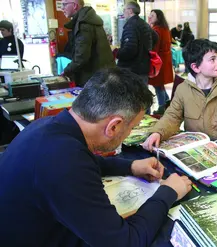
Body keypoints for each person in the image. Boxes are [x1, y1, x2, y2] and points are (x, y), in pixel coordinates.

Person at [0, 68, 192, 247]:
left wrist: (131, 166)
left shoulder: (48, 127)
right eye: (132, 127)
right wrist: (168, 192)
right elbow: (126, 241)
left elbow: (87, 161)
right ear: (114, 126)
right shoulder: (65, 163)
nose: (130, 132)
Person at [143, 39, 217, 152]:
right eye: (212, 59)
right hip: (194, 149)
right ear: (196, 67)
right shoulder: (183, 89)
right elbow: (172, 116)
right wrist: (158, 132)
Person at [61, 0, 115, 87]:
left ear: (74, 5)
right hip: (103, 75)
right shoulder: (89, 19)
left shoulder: (83, 24)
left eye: (64, 4)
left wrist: (66, 70)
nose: (62, 8)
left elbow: (81, 57)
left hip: (93, 78)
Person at [117, 1, 157, 84]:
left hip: (132, 70)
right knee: (142, 95)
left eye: (124, 9)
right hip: (143, 68)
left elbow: (130, 50)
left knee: (132, 96)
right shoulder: (144, 23)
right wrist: (145, 51)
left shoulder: (131, 25)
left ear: (130, 10)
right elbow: (155, 37)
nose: (123, 12)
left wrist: (116, 53)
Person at [148, 9, 174, 115]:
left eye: (153, 15)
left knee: (158, 85)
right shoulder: (165, 29)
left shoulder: (156, 30)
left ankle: (162, 107)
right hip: (165, 60)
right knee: (160, 84)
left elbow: (154, 47)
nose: (150, 16)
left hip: (157, 61)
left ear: (158, 17)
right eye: (150, 15)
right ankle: (167, 103)